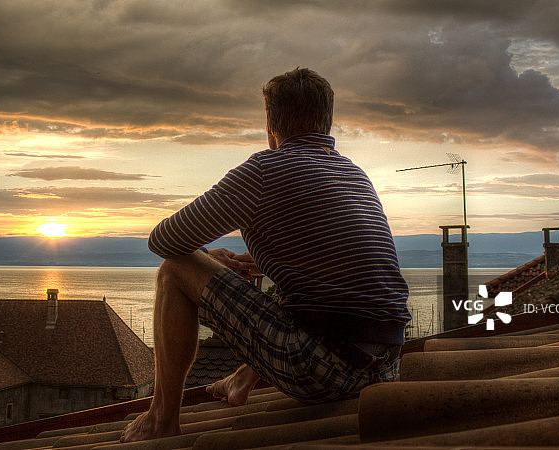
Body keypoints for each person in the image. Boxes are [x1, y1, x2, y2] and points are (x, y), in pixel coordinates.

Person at [121, 68, 410, 442]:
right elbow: (332, 272)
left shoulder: (263, 170)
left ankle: (161, 419)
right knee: (297, 299)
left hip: (324, 371)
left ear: (270, 121)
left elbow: (164, 240)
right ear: (328, 120)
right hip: (387, 367)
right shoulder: (354, 174)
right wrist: (254, 260)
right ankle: (242, 379)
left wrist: (208, 258)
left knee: (174, 270)